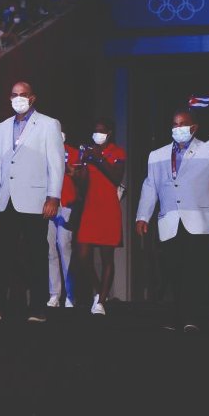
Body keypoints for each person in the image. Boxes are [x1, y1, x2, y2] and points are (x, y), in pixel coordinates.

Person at [136, 108, 209, 332]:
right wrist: (143, 216)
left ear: (194, 127)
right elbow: (150, 186)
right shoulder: (158, 155)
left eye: (182, 124)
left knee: (193, 270)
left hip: (198, 220)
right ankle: (177, 316)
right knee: (172, 269)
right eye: (174, 124)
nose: (177, 128)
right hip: (170, 220)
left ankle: (191, 317)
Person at [0, 81, 64, 323]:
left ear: (32, 98)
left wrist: (53, 196)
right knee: (0, 253)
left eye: (23, 95)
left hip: (35, 198)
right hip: (6, 198)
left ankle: (38, 307)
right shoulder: (2, 127)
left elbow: (56, 163)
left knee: (35, 253)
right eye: (14, 95)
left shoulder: (47, 124)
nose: (18, 99)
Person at [75, 119, 127, 316]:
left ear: (109, 133)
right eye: (95, 131)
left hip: (109, 208)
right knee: (83, 256)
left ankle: (101, 301)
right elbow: (83, 183)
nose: (98, 135)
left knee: (107, 257)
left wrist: (98, 159)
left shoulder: (117, 152)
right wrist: (78, 170)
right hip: (90, 207)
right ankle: (99, 291)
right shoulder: (89, 153)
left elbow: (116, 177)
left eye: (102, 131)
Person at [47, 134, 79, 310]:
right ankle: (54, 294)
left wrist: (68, 169)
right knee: (50, 249)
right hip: (48, 204)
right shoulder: (43, 151)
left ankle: (71, 295)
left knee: (64, 247)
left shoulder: (72, 153)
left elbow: (79, 177)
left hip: (66, 204)